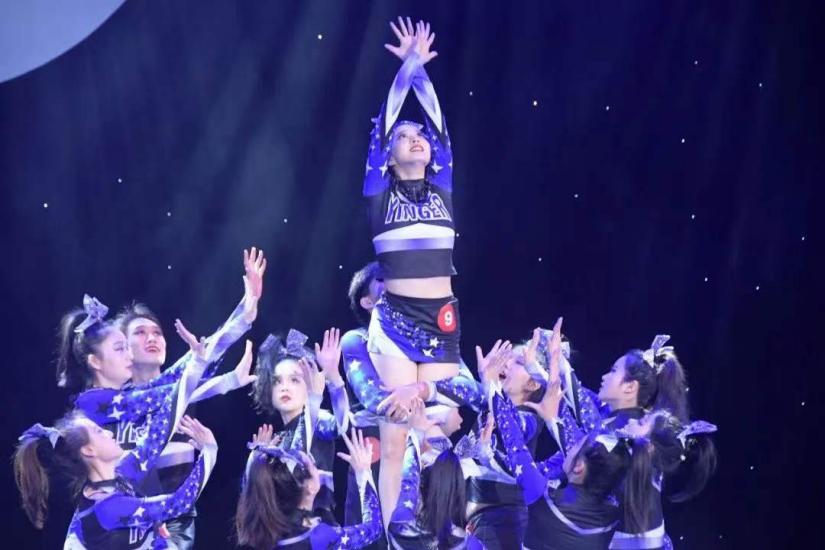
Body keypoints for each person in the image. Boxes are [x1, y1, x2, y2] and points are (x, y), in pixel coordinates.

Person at [363, 18, 460, 526]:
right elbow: (382, 124)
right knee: (397, 436)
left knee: (436, 432)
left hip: (442, 318)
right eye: (405, 137)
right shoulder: (379, 196)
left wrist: (420, 71)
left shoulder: (443, 188)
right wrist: (407, 69)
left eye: (418, 135)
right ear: (388, 157)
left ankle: (436, 528)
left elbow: (439, 127)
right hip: (397, 319)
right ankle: (388, 533)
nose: (416, 139)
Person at [235, 428, 382, 549]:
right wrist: (363, 472)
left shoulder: (258, 530)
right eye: (314, 466)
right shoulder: (317, 537)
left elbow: (255, 487)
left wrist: (256, 459)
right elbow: (374, 528)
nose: (319, 471)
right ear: (310, 487)